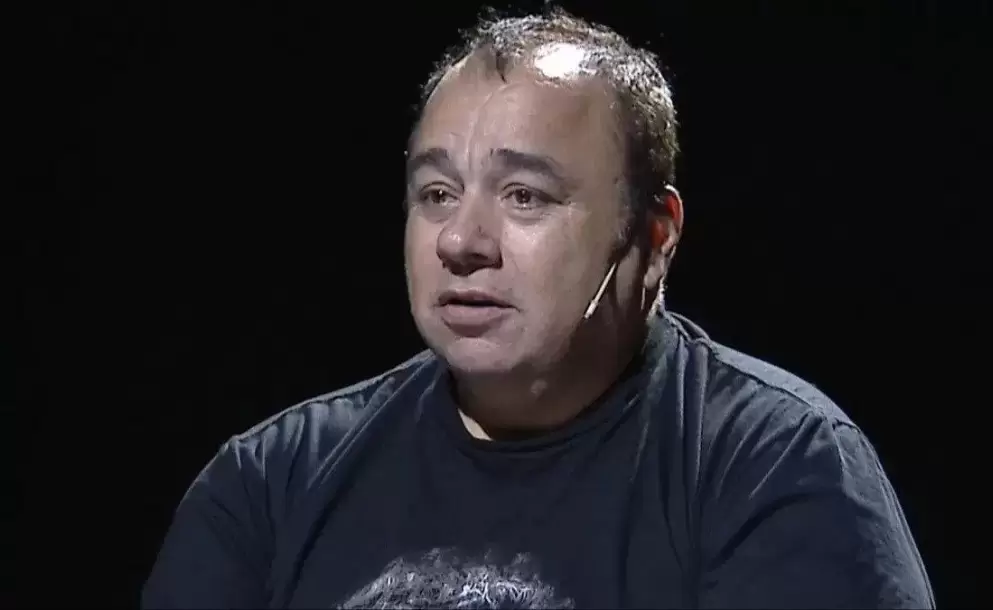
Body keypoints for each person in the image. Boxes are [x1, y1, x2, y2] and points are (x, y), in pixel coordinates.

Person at [142, 8, 934, 609]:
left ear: (654, 235)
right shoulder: (269, 486)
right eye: (436, 193)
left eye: (524, 196)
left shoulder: (775, 466)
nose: (460, 241)